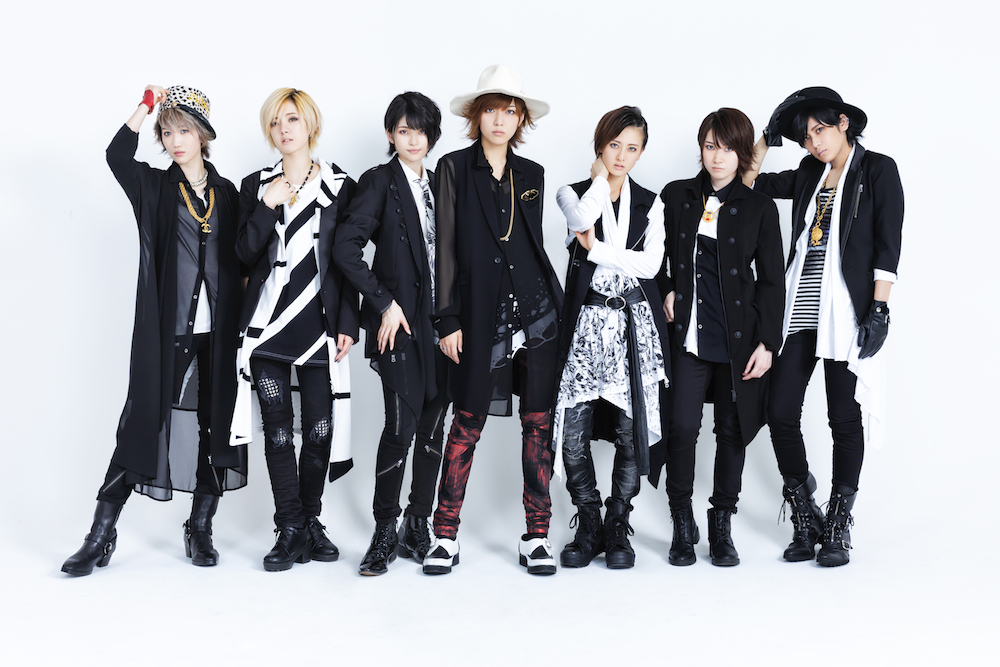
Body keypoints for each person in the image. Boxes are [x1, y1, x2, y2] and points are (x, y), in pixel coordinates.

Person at [62, 85, 247, 576]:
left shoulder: (229, 194)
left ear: (203, 134)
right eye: (167, 132)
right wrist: (147, 105)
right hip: (168, 332)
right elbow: (115, 155)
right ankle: (100, 535)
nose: (175, 140)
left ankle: (200, 527)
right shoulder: (154, 186)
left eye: (184, 130)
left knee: (216, 425)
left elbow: (246, 258)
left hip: (222, 334)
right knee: (143, 421)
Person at [744, 87, 903, 566]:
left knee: (843, 418)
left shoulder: (878, 170)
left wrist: (880, 309)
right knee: (779, 411)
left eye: (820, 130)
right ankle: (805, 510)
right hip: (800, 309)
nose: (814, 143)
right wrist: (767, 138)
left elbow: (888, 244)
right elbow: (748, 182)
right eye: (806, 137)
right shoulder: (810, 172)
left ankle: (837, 522)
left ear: (842, 123)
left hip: (845, 312)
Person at [422, 65, 563, 576]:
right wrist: (447, 319)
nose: (500, 120)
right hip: (479, 316)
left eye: (510, 111)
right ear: (476, 115)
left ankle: (537, 536)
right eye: (491, 110)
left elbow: (530, 245)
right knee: (467, 421)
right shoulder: (453, 168)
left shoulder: (533, 174)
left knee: (538, 425)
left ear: (520, 118)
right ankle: (444, 535)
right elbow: (445, 250)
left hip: (537, 313)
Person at [232, 88, 358, 572]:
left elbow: (348, 261)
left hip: (319, 325)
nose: (283, 130)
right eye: (275, 123)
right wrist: (267, 206)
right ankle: (290, 527)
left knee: (320, 430)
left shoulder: (340, 185)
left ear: (310, 125)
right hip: (268, 326)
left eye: (292, 120)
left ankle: (309, 520)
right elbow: (242, 255)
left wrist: (348, 323)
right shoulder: (255, 185)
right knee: (279, 432)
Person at [655, 108, 784, 567]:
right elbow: (652, 256)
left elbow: (772, 281)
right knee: (681, 428)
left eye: (728, 148)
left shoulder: (759, 207)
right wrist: (666, 289)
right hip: (689, 338)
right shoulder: (676, 196)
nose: (718, 157)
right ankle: (681, 521)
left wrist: (768, 344)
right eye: (710, 146)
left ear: (742, 152)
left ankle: (721, 522)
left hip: (738, 342)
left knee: (732, 430)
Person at [333, 92, 449, 575]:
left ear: (432, 136)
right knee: (400, 427)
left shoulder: (443, 182)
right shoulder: (379, 181)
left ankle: (417, 524)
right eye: (403, 131)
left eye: (420, 131)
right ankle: (385, 528)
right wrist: (384, 303)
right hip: (399, 322)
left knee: (433, 427)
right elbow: (346, 247)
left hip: (443, 324)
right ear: (390, 135)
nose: (413, 140)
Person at [552, 106, 669, 569]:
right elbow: (581, 217)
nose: (622, 155)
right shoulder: (572, 192)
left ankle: (618, 522)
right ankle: (589, 521)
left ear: (641, 153)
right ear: (600, 144)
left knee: (629, 432)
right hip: (586, 326)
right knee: (572, 433)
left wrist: (597, 249)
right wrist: (600, 179)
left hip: (633, 327)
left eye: (632, 148)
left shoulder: (651, 203)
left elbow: (652, 266)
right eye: (614, 144)